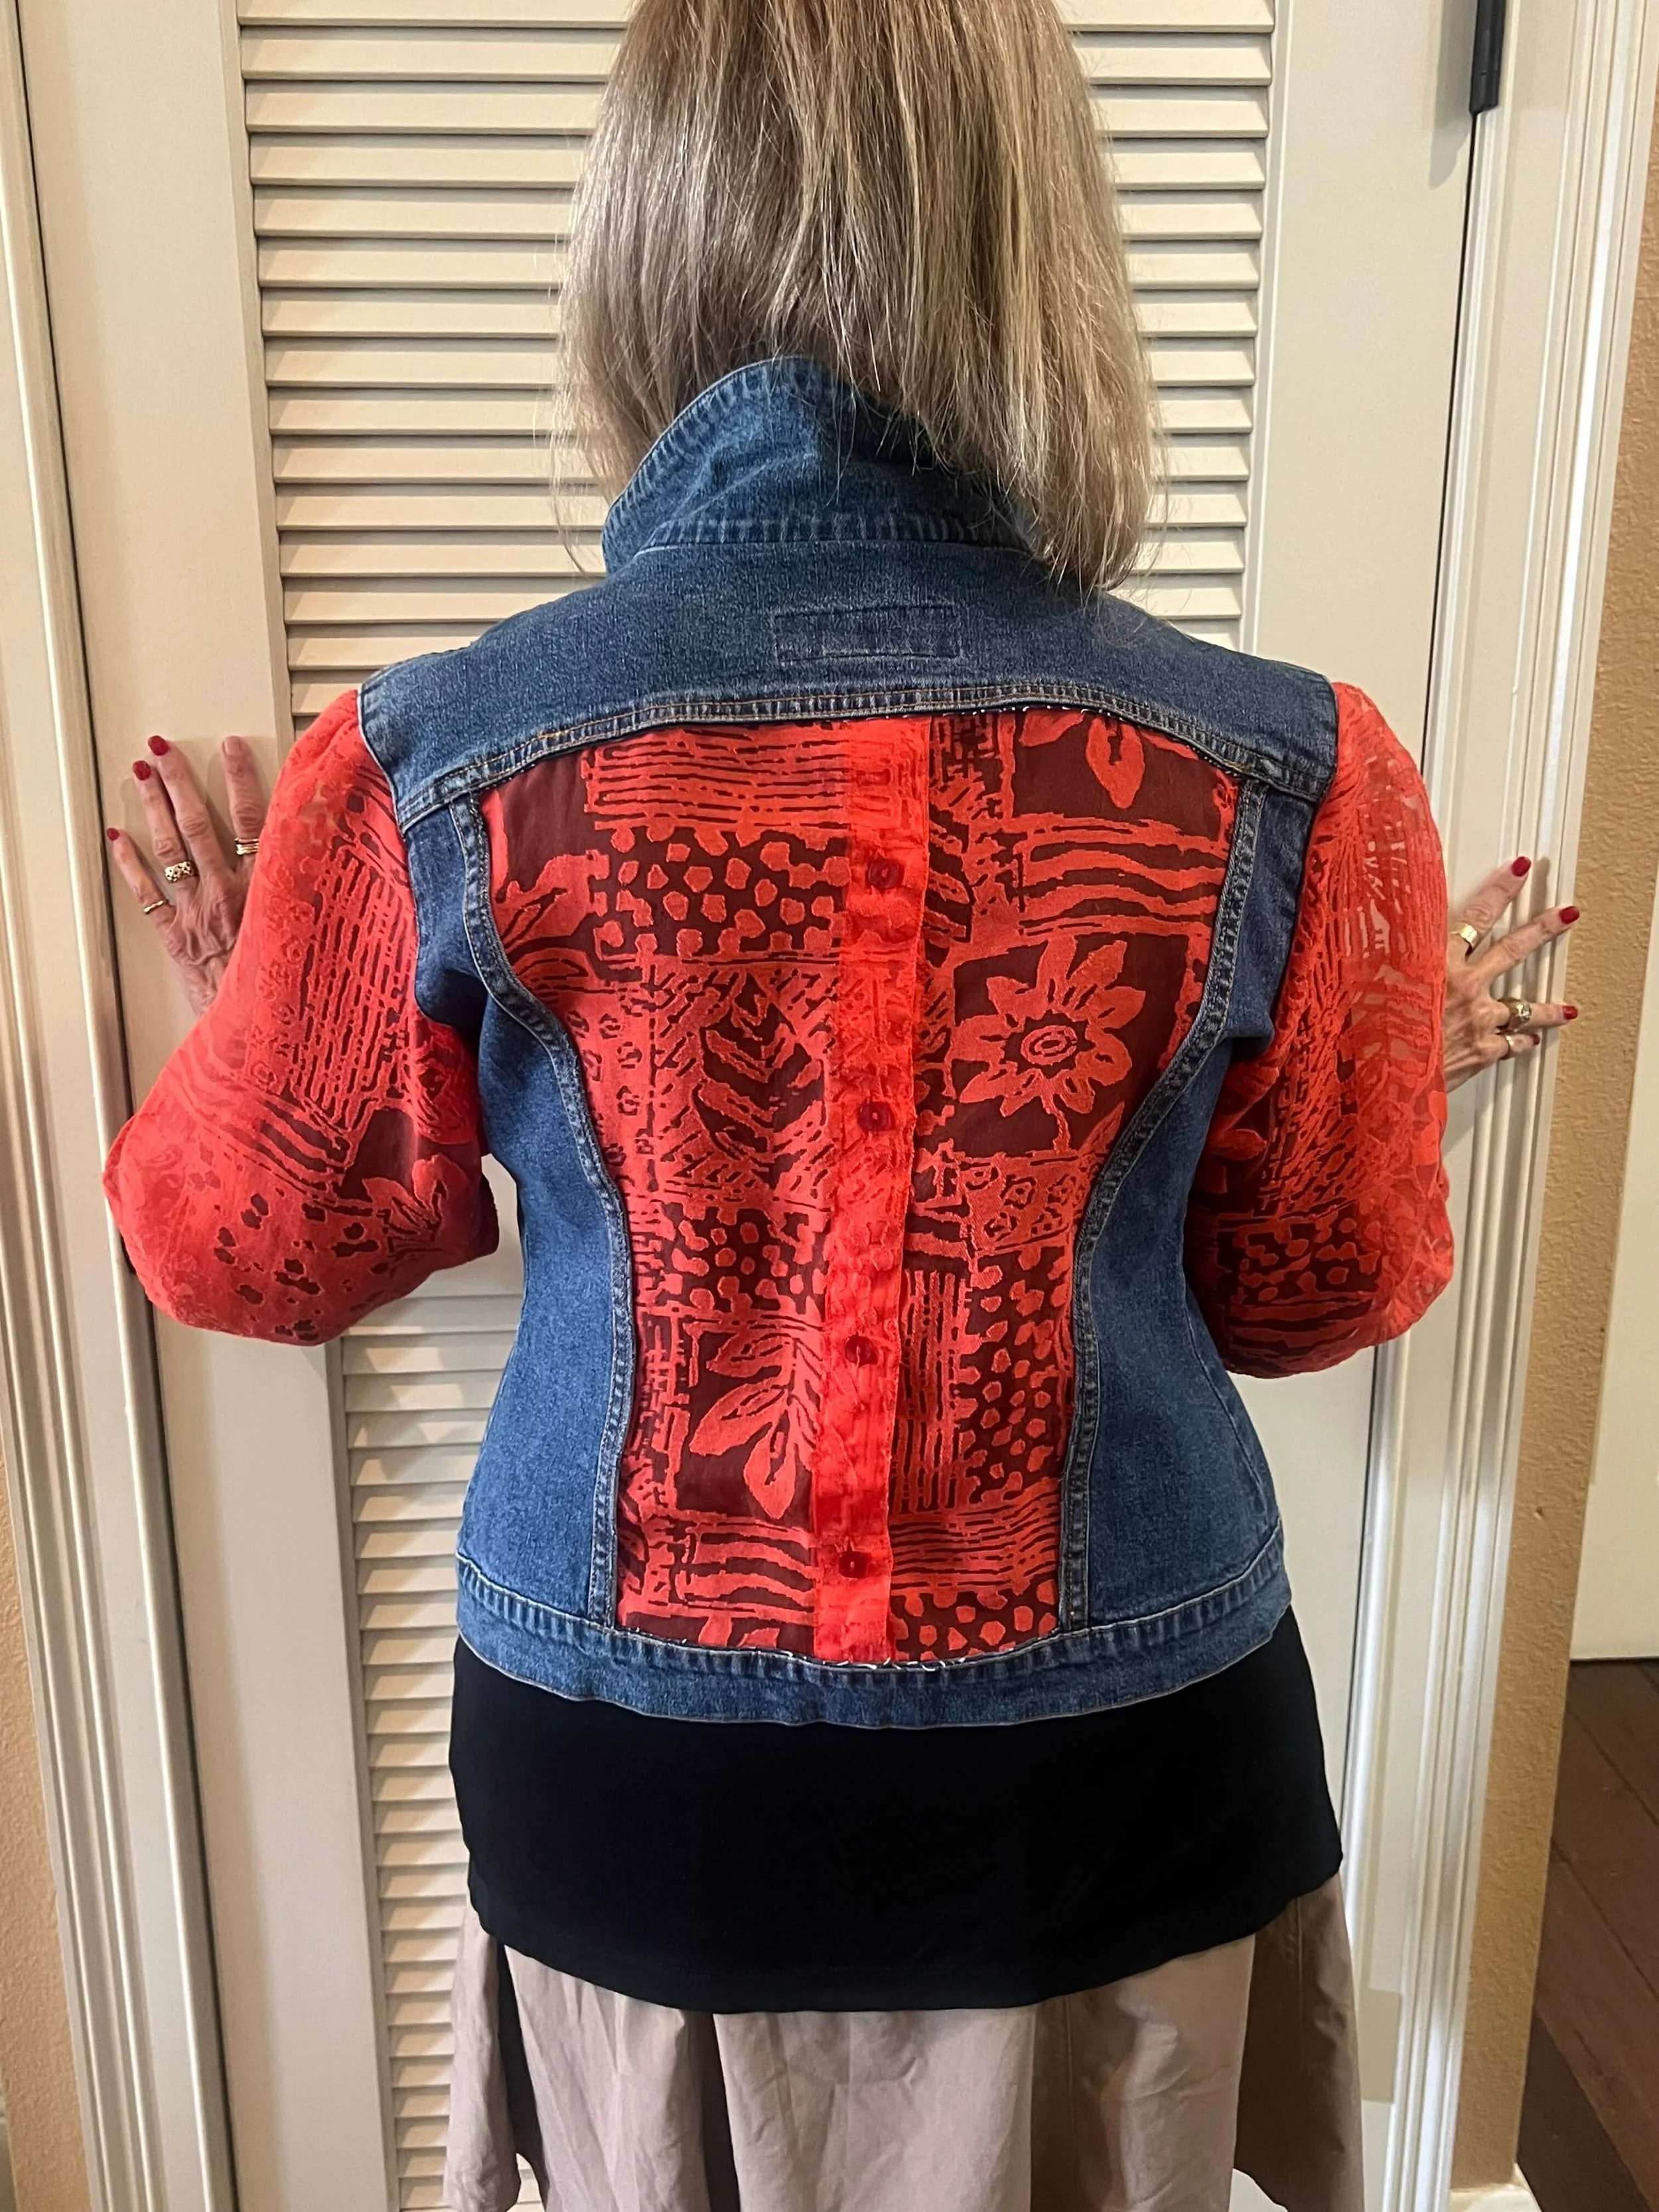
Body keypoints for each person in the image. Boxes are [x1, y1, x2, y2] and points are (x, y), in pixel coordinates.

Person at [102, 1, 1581, 2206]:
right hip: (1116, 1772)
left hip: (640, 1790)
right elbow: (1313, 1288)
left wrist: (286, 1003)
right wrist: (1347, 1033)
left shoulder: (430, 771)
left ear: (639, 249)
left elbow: (254, 1245)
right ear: (1043, 251)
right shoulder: (1293, 776)